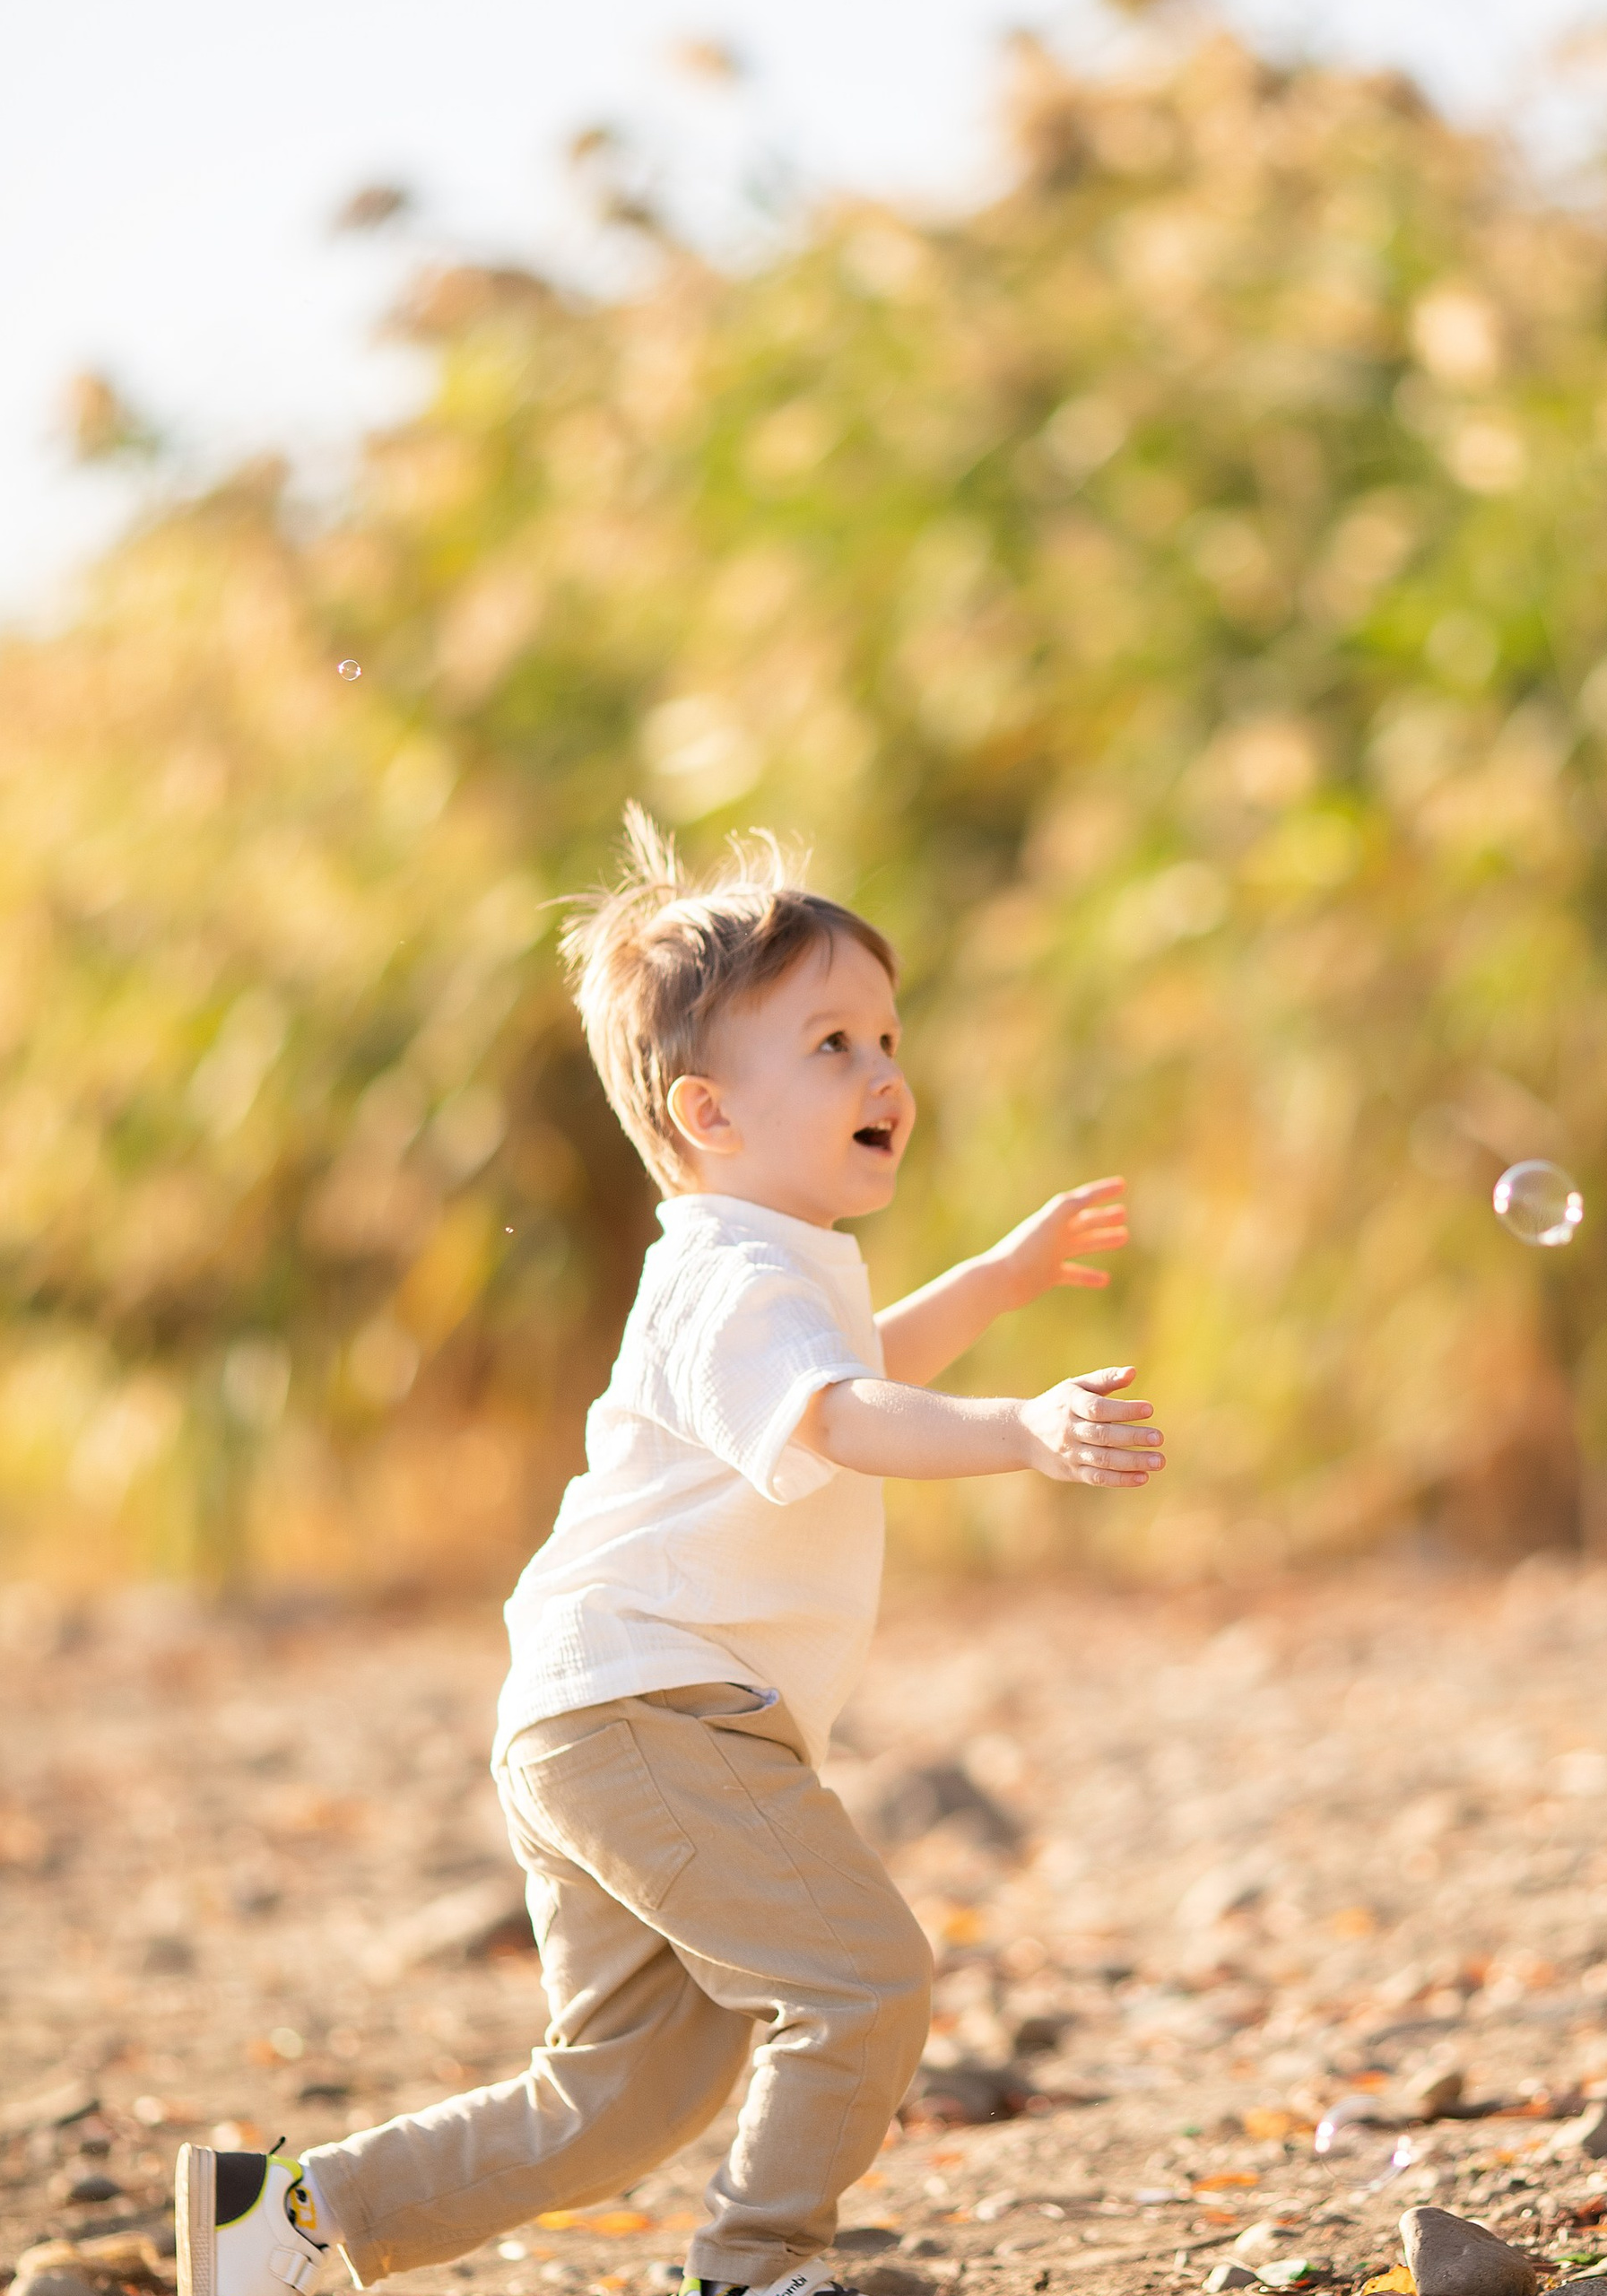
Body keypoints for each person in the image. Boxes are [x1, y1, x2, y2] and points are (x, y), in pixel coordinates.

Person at [174, 812, 1167, 2296]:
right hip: (654, 1715)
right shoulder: (732, 1278)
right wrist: (1020, 1429)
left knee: (623, 2097)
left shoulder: (768, 1276)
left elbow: (855, 1368)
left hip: (608, 1716)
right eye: (831, 1044)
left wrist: (998, 1281)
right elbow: (845, 1414)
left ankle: (287, 2223)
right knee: (868, 1980)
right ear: (709, 1115)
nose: (886, 1073)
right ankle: (761, 2266)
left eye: (887, 1038)